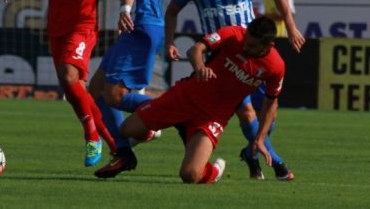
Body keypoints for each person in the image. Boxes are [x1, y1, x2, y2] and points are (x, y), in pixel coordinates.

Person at [85, 0, 227, 178]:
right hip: (148, 23)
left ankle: (171, 114)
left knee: (113, 95)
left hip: (140, 23)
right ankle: (123, 152)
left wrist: (126, 8)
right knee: (96, 88)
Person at [164, 0, 305, 181]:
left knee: (267, 117)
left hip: (253, 53)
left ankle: (251, 152)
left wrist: (292, 27)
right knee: (246, 113)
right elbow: (172, 10)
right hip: (221, 60)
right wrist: (169, 42)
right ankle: (279, 165)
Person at [3, 0, 116, 167]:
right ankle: (116, 145)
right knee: (75, 88)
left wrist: (129, 6)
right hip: (55, 25)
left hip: (84, 24)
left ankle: (91, 137)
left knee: (68, 76)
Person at [121, 16, 285, 183]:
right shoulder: (233, 33)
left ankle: (215, 170)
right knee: (125, 130)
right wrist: (200, 66)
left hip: (213, 116)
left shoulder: (276, 66)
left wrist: (260, 138)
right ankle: (150, 129)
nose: (244, 46)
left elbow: (271, 103)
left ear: (268, 46)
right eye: (245, 40)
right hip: (184, 97)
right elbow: (195, 50)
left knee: (190, 175)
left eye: (251, 46)